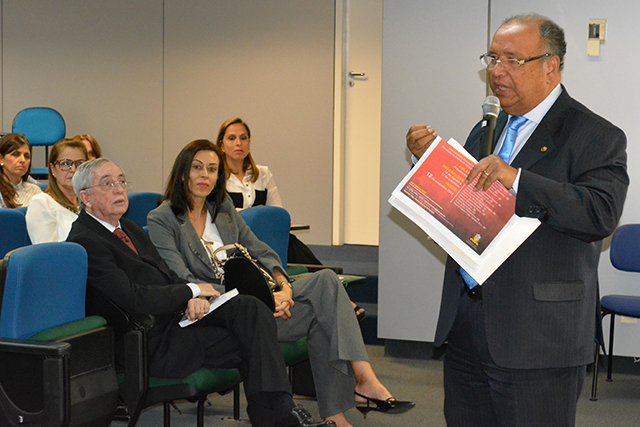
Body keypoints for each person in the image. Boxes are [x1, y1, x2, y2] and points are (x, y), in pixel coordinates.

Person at [406, 14, 628, 427]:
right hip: (467, 325)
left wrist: (519, 180)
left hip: (538, 334)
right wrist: (429, 168)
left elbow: (599, 214)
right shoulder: (486, 129)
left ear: (550, 66)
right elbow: (470, 213)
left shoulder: (595, 134)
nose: (496, 71)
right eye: (492, 58)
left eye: (512, 60)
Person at [147, 140, 414, 427]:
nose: (205, 175)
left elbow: (259, 249)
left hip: (257, 306)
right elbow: (183, 279)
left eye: (212, 169)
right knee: (322, 313)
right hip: (219, 317)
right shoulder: (163, 219)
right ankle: (347, 404)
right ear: (182, 173)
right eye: (197, 168)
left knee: (326, 283)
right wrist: (260, 296)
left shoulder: (222, 208)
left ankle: (361, 384)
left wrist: (282, 285)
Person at [67, 158, 334, 427]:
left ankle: (281, 415)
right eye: (107, 184)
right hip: (148, 341)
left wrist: (192, 299)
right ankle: (281, 416)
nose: (119, 189)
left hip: (176, 322)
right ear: (85, 198)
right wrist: (191, 290)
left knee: (250, 308)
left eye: (122, 181)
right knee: (253, 341)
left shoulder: (130, 229)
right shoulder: (85, 241)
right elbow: (134, 298)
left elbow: (167, 277)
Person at [216, 117, 323, 267]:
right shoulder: (215, 177)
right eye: (232, 138)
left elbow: (277, 212)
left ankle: (323, 274)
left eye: (243, 138)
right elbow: (222, 216)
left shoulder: (263, 173)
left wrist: (257, 214)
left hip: (265, 238)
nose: (238, 143)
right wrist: (256, 213)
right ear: (222, 145)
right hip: (235, 242)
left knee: (292, 245)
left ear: (249, 143)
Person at [25, 138, 87, 243]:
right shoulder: (42, 203)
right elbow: (48, 250)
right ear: (53, 168)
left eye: (79, 164)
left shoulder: (92, 203)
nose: (73, 169)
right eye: (65, 163)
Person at [0, 133, 42, 208]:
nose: (22, 160)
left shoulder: (35, 191)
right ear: (1, 159)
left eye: (26, 156)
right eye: (16, 154)